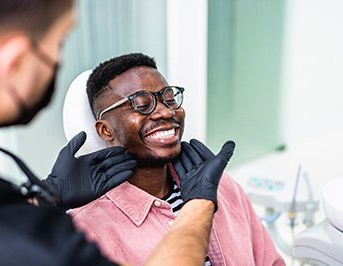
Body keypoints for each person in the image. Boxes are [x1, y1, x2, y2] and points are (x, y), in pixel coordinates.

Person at [0, 1, 234, 265]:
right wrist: (198, 204)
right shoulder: (47, 244)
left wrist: (47, 197)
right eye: (59, 42)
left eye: (168, 98)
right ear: (14, 63)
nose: (163, 112)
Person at [67, 53, 286, 266]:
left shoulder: (221, 187)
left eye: (170, 99)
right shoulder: (86, 231)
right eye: (142, 105)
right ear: (105, 130)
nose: (165, 112)